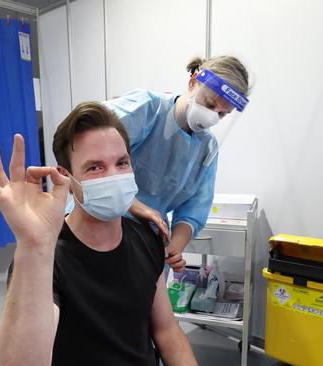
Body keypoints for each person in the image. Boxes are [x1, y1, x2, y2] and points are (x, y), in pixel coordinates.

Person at [0, 102, 198, 366]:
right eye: (95, 167)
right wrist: (33, 245)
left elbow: (166, 329)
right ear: (67, 178)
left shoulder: (145, 239)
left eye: (121, 162)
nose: (113, 176)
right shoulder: (47, 259)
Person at [105, 56, 251, 274]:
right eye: (210, 104)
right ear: (193, 82)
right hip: (101, 221)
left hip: (148, 241)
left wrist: (174, 249)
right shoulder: (147, 109)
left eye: (222, 114)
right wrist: (139, 209)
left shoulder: (206, 147)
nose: (213, 117)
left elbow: (194, 209)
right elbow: (91, 157)